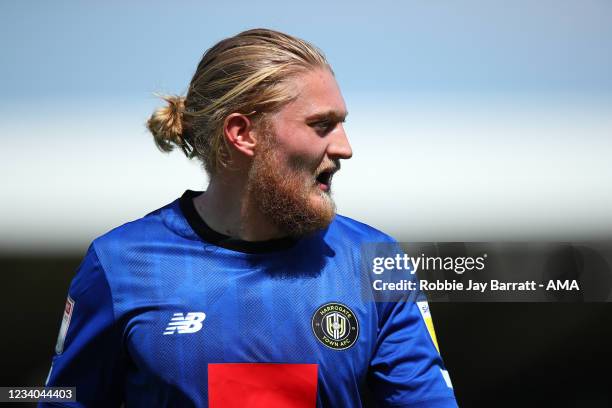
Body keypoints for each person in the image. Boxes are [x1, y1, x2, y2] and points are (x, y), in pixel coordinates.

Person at [42, 29, 457, 407]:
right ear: (243, 134)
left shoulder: (373, 261)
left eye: (341, 124)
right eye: (321, 125)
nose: (345, 148)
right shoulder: (118, 264)